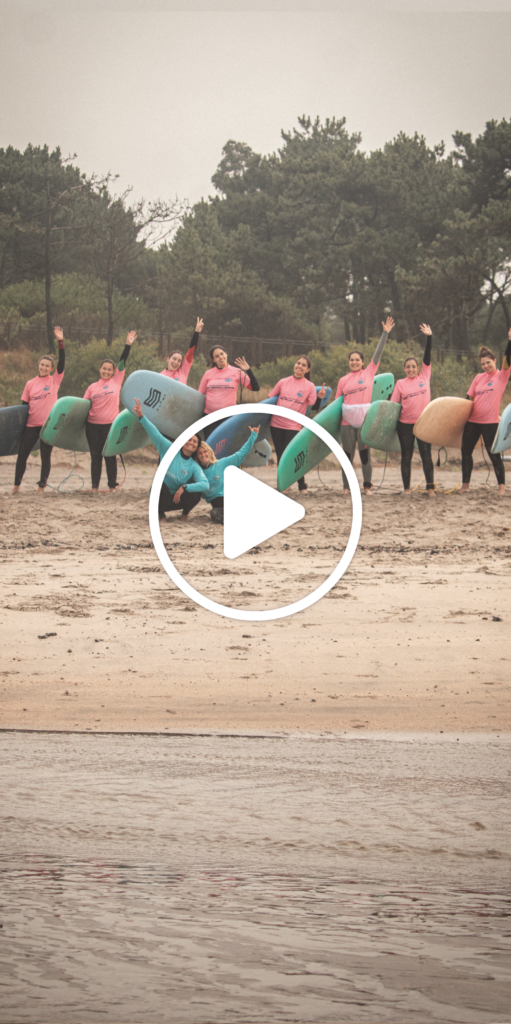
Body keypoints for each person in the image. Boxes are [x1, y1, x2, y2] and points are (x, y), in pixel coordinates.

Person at [335, 317, 395, 495]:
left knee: (364, 455)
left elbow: (378, 354)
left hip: (364, 422)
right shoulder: (343, 380)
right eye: (351, 360)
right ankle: (347, 487)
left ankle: (367, 486)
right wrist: (334, 431)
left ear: (362, 362)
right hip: (346, 424)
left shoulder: (369, 372)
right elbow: (337, 407)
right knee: (347, 456)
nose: (354, 362)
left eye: (357, 360)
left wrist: (385, 333)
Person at [132, 398, 207, 521]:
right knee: (160, 485)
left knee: (196, 492)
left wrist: (184, 487)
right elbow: (155, 434)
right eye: (189, 439)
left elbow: (205, 485)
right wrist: (141, 416)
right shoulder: (169, 449)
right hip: (161, 498)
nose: (191, 443)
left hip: (178, 500)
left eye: (195, 442)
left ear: (196, 448)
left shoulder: (193, 466)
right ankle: (160, 514)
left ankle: (184, 514)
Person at [12, 326, 66, 495]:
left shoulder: (55, 381)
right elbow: (23, 407)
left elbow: (62, 361)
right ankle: (16, 486)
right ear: (38, 365)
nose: (43, 367)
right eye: (41, 365)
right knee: (22, 455)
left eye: (46, 366)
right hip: (31, 425)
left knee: (45, 456)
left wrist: (60, 341)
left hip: (48, 426)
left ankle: (41, 487)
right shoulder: (30, 383)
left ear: (51, 368)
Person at [83, 331, 136, 493]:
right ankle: (94, 488)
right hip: (92, 427)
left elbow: (122, 361)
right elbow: (84, 406)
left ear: (113, 372)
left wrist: (128, 344)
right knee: (95, 457)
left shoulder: (116, 380)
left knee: (110, 456)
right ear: (100, 369)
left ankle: (112, 487)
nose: (106, 371)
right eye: (104, 369)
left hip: (110, 426)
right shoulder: (92, 387)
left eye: (109, 369)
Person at [459, 331, 511, 497]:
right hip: (473, 421)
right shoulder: (478, 377)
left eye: (488, 362)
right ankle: (465, 485)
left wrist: (510, 341)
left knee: (493, 454)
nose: (486, 366)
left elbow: (507, 360)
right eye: (483, 364)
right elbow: (468, 399)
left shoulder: (502, 376)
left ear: (495, 361)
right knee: (465, 451)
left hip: (490, 422)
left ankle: (501, 487)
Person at [268, 356, 327, 491]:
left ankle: (301, 484)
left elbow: (313, 409)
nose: (299, 366)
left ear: (307, 369)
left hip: (293, 425)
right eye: (298, 363)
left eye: (303, 365)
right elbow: (270, 399)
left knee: (293, 455)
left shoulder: (309, 386)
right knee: (280, 455)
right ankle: (283, 484)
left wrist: (319, 398)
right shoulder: (283, 382)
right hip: (276, 423)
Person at [391, 324, 435, 498]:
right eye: (407, 367)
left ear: (418, 368)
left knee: (426, 455)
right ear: (404, 369)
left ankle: (430, 488)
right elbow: (394, 406)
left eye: (413, 366)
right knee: (406, 455)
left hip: (424, 423)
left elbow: (427, 357)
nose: (410, 369)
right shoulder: (400, 384)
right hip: (405, 425)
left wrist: (429, 338)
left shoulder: (424, 377)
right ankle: (407, 489)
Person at [194, 426, 260, 523]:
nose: (203, 455)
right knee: (214, 513)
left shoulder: (221, 464)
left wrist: (253, 436)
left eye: (205, 452)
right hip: (219, 508)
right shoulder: (196, 472)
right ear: (196, 456)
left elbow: (240, 454)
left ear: (209, 452)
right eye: (200, 453)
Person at [198, 345, 260, 437]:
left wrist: (248, 370)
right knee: (210, 447)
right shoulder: (208, 373)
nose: (220, 357)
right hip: (210, 417)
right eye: (217, 356)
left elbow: (255, 388)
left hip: (228, 417)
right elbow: (200, 394)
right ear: (213, 360)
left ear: (226, 354)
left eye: (222, 354)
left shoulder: (237, 372)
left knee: (226, 447)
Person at [161, 317, 204, 384]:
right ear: (168, 359)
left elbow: (191, 351)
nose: (176, 362)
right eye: (174, 359)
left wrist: (197, 332)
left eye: (179, 361)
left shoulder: (183, 371)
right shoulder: (160, 375)